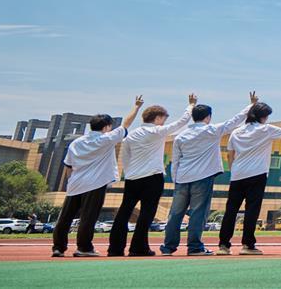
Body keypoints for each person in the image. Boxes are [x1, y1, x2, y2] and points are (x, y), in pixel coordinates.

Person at [160, 92, 255, 256]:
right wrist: (251, 105)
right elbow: (235, 120)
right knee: (198, 213)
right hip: (202, 178)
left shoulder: (181, 136)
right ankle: (194, 247)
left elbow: (175, 161)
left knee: (175, 214)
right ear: (208, 117)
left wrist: (176, 178)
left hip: (182, 178)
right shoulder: (212, 130)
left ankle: (168, 247)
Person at [51, 97, 143, 258]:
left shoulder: (76, 143)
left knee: (65, 217)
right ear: (107, 127)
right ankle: (84, 248)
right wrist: (136, 107)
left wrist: (70, 182)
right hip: (95, 184)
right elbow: (126, 125)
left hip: (75, 184)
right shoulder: (106, 139)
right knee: (88, 217)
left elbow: (68, 166)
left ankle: (58, 248)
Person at [107, 94, 196, 257]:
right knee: (147, 214)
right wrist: (190, 105)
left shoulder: (131, 135)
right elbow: (182, 122)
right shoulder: (157, 131)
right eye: (163, 118)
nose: (164, 122)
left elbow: (125, 158)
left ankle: (115, 248)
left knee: (124, 212)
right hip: (152, 178)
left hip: (132, 178)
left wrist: (131, 172)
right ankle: (138, 247)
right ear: (158, 118)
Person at [218, 99, 281, 255]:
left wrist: (234, 170)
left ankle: (223, 245)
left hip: (238, 175)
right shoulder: (265, 130)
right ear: (262, 117)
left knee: (230, 210)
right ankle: (248, 245)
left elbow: (229, 155)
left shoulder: (236, 132)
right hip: (257, 174)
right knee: (252, 210)